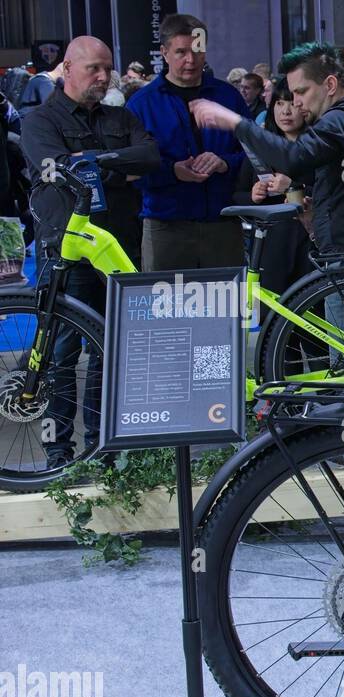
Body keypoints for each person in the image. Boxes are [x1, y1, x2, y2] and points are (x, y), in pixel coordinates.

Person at [190, 41, 344, 383]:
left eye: (301, 91)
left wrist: (236, 123)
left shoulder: (343, 118)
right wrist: (319, 212)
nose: (295, 101)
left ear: (329, 85)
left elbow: (294, 157)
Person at [20, 35, 160, 469]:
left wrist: (94, 160)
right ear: (67, 68)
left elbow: (151, 156)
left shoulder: (121, 115)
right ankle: (58, 452)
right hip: (65, 245)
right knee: (62, 350)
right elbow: (54, 168)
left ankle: (102, 446)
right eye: (93, 68)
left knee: (111, 349)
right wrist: (116, 165)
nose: (102, 77)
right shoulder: (40, 119)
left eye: (107, 68)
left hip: (117, 244)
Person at [126, 12, 247, 270]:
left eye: (198, 51)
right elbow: (130, 171)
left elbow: (255, 156)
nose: (191, 60)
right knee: (166, 309)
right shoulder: (141, 104)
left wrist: (224, 162)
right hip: (165, 227)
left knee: (228, 308)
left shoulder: (229, 97)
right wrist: (173, 172)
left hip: (223, 224)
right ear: (164, 53)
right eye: (181, 52)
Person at [230, 76, 311, 295]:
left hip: (310, 240)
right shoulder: (262, 146)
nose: (285, 111)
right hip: (272, 242)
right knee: (271, 312)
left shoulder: (317, 144)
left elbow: (332, 189)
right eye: (279, 103)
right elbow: (237, 195)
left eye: (292, 103)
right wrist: (254, 196)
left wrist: (294, 185)